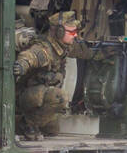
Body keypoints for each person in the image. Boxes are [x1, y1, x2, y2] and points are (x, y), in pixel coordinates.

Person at [13, 10, 82, 139]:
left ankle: (19, 125)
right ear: (59, 32)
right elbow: (30, 56)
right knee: (59, 97)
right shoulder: (45, 49)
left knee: (52, 130)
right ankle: (25, 123)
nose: (75, 35)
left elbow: (83, 51)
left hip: (39, 100)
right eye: (72, 32)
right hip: (26, 97)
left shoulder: (63, 46)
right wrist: (22, 65)